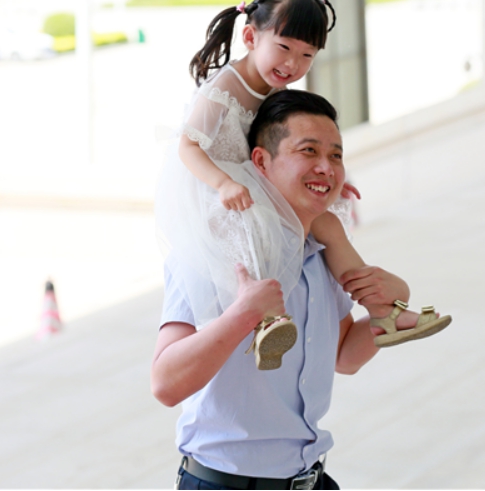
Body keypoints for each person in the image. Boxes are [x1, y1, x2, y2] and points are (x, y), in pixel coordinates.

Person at [151, 90, 450, 489]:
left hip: (310, 478)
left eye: (336, 156)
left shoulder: (324, 255)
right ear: (261, 162)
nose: (326, 167)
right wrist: (244, 314)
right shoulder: (214, 251)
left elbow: (344, 355)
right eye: (309, 151)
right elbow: (166, 384)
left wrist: (393, 302)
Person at [155, 0, 448, 372]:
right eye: (284, 47)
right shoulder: (222, 89)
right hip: (217, 187)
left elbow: (292, 146)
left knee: (328, 224)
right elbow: (187, 147)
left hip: (256, 179)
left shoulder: (276, 88)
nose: (293, 63)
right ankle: (268, 320)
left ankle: (383, 310)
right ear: (250, 37)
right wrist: (223, 184)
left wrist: (332, 181)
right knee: (254, 232)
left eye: (307, 55)